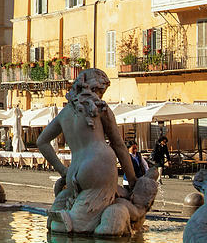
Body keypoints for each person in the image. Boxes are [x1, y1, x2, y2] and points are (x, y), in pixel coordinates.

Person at [37, 68, 138, 233]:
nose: (102, 96)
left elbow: (42, 142)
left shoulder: (65, 113)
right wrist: (133, 180)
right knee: (84, 224)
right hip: (100, 164)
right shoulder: (99, 108)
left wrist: (63, 170)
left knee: (77, 212)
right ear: (96, 88)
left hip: (74, 169)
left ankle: (61, 225)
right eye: (102, 91)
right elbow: (119, 145)